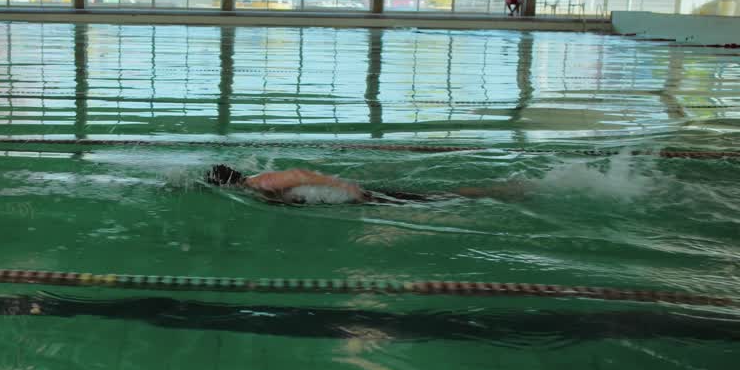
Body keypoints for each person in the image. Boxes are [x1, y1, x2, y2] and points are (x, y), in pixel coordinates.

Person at [206, 165, 519, 206]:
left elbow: (302, 174)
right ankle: (494, 192)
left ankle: (498, 192)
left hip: (357, 196)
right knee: (428, 199)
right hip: (354, 198)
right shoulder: (254, 185)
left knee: (432, 199)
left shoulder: (262, 183)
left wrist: (343, 187)